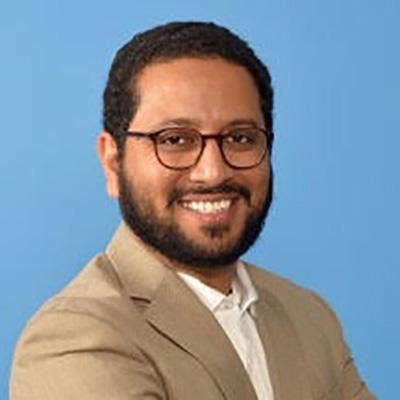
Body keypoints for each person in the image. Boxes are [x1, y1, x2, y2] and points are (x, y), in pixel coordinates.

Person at [10, 21, 374, 399]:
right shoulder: (75, 338)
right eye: (175, 140)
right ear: (113, 162)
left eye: (240, 138)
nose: (213, 171)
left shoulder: (309, 316)